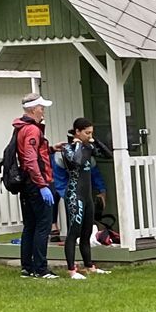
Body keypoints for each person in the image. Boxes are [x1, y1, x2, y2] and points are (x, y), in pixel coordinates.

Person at [54, 118, 109, 279]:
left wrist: (94, 141)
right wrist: (78, 143)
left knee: (86, 232)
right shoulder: (68, 148)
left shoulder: (88, 147)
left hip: (87, 196)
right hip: (74, 194)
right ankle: (71, 269)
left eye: (91, 132)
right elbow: (77, 161)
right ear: (77, 132)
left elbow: (107, 154)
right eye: (87, 133)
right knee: (74, 232)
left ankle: (89, 266)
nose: (89, 136)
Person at [12, 91, 58, 279]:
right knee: (43, 226)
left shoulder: (21, 128)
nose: (43, 110)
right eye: (41, 107)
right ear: (32, 109)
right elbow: (31, 159)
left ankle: (27, 267)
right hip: (36, 184)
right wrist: (42, 185)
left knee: (30, 226)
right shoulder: (32, 130)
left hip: (26, 184)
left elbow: (32, 153)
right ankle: (40, 269)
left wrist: (52, 149)